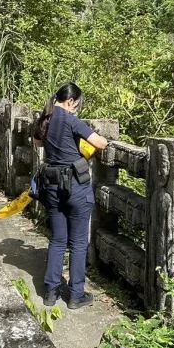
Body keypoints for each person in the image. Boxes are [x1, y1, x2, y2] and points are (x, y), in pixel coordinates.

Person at [33, 83, 109, 309]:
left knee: (58, 239)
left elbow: (37, 142)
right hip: (75, 186)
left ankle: (51, 291)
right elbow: (101, 143)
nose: (76, 109)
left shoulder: (44, 119)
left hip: (52, 187)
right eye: (77, 105)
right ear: (71, 101)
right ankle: (76, 295)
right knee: (78, 243)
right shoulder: (71, 120)